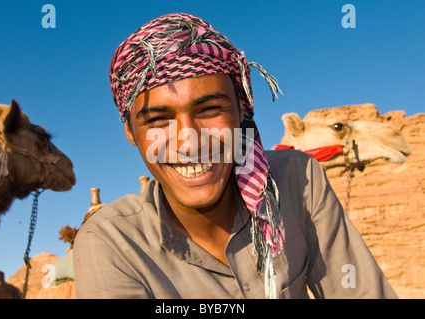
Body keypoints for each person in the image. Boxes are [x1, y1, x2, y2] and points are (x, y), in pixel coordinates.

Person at [73, 13, 397, 299]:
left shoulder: (299, 182)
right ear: (131, 132)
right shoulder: (112, 243)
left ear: (241, 109)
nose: (189, 142)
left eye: (209, 109)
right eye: (159, 119)